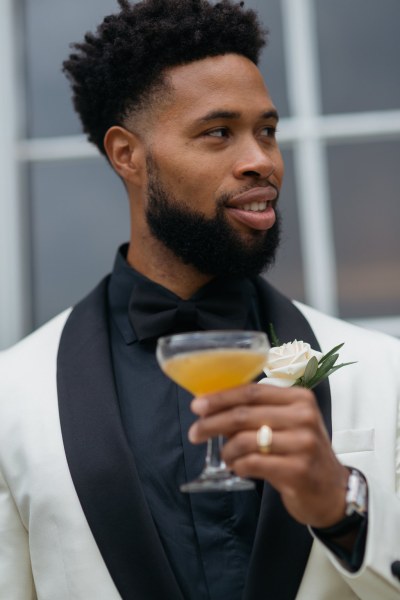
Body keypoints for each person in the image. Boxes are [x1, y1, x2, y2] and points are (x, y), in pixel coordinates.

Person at [0, 0, 399, 598]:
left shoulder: (385, 371)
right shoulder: (10, 397)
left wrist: (341, 509)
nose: (262, 161)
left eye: (268, 131)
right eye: (219, 133)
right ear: (126, 155)